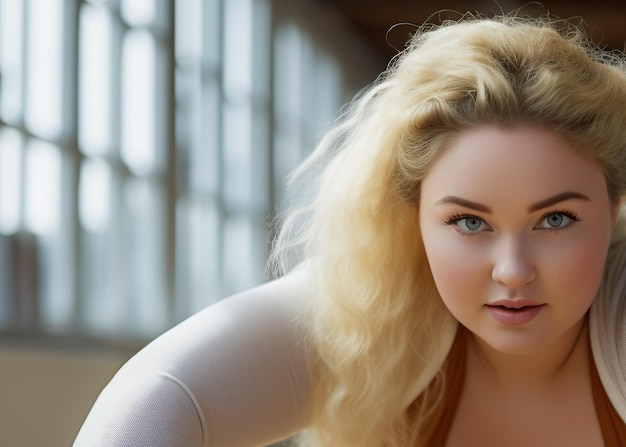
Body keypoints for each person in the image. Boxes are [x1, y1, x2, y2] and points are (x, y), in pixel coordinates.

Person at [73, 13, 626, 447]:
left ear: (616, 207)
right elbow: (154, 397)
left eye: (556, 219)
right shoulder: (376, 309)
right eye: (469, 222)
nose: (512, 270)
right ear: (414, 220)